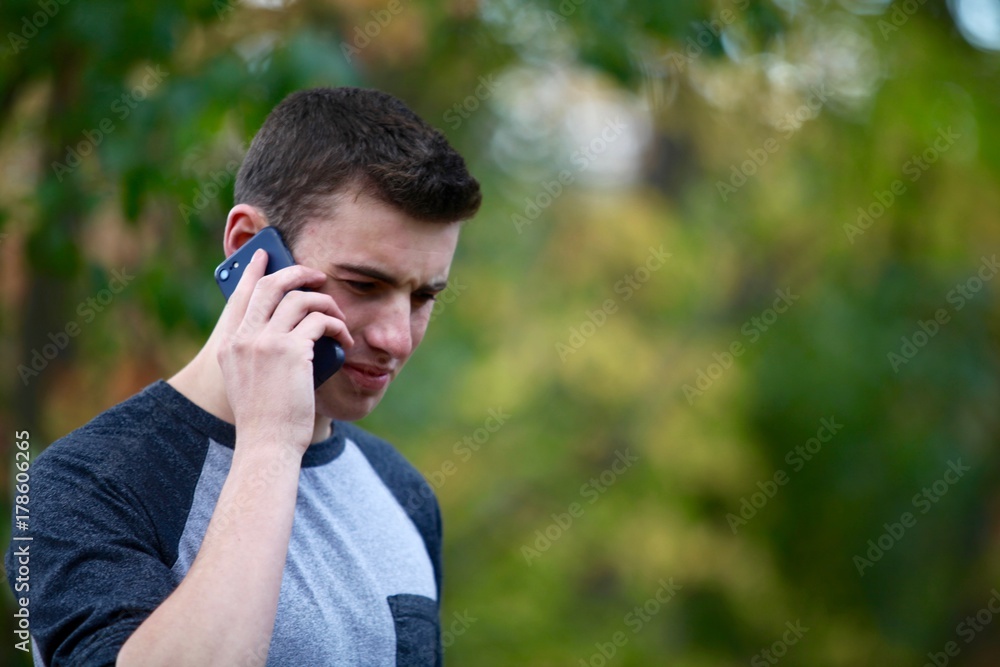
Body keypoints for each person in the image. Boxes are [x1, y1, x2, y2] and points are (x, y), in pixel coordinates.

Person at [5, 86, 482, 666]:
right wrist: (271, 442)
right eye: (363, 284)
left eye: (423, 296)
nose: (396, 338)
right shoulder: (80, 487)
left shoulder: (402, 492)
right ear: (247, 247)